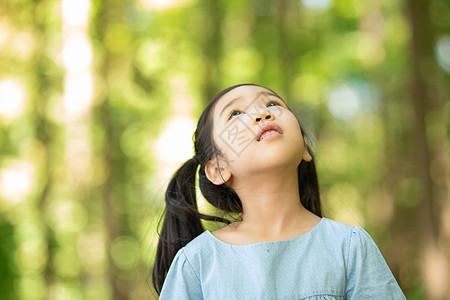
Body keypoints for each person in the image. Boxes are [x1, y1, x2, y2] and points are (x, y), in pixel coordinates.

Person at [152, 83, 406, 299]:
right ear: (218, 168)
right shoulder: (196, 263)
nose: (262, 114)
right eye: (236, 113)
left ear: (305, 148)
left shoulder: (349, 247)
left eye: (273, 104)